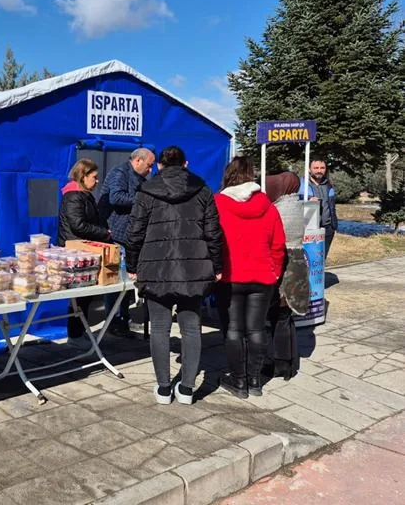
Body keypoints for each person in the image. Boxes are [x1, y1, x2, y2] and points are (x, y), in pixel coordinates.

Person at [124, 146, 223, 405]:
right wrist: (217, 265)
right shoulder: (202, 190)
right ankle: (188, 389)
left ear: (159, 166)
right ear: (186, 164)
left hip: (156, 267)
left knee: (159, 327)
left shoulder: (147, 191)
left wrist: (132, 265)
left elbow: (134, 232)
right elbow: (214, 233)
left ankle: (164, 388)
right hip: (193, 269)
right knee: (191, 328)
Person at [215, 157, 286, 399]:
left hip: (230, 275)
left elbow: (212, 240)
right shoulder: (269, 206)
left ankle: (239, 380)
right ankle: (255, 381)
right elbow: (278, 244)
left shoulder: (218, 204)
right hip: (263, 275)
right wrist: (275, 270)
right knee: (256, 329)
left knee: (233, 329)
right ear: (252, 176)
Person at [99, 148, 155, 335]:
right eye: (149, 165)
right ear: (138, 160)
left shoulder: (140, 179)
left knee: (125, 282)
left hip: (130, 234)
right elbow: (116, 197)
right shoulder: (120, 173)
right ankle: (114, 321)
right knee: (117, 282)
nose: (151, 170)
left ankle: (123, 319)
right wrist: (143, 199)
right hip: (117, 234)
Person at [58, 158, 112, 350]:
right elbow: (78, 225)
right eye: (94, 177)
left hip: (83, 251)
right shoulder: (74, 196)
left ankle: (79, 332)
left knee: (85, 297)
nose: (97, 181)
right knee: (79, 297)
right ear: (83, 176)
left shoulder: (83, 195)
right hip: (75, 252)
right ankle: (75, 334)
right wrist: (104, 233)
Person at [265, 172, 309, 380]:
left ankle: (279, 362)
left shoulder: (281, 209)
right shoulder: (297, 205)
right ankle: (290, 361)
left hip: (285, 264)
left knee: (279, 315)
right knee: (286, 316)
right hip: (296, 262)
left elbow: (275, 239)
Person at [299, 158, 338, 260]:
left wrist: (333, 226)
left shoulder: (329, 185)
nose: (319, 170)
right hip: (308, 229)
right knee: (308, 260)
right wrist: (307, 200)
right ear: (309, 169)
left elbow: (332, 207)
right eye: (316, 168)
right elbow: (294, 203)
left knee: (321, 260)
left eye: (322, 168)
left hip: (327, 229)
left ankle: (320, 276)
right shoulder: (301, 184)